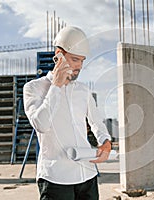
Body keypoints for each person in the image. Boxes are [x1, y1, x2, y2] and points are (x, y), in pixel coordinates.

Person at [23, 26, 112, 200]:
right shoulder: (33, 88)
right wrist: (56, 86)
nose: (79, 66)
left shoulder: (83, 90)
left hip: (87, 175)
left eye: (82, 61)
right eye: (74, 59)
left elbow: (96, 122)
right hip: (55, 178)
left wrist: (105, 141)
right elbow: (41, 124)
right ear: (59, 55)